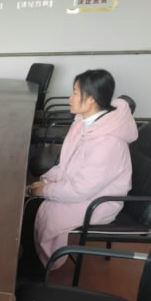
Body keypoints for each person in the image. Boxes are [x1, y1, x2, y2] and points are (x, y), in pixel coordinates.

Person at [24, 69, 138, 272]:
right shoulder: (84, 124)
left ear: (91, 99)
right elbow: (66, 164)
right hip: (83, 190)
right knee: (29, 201)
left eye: (75, 93)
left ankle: (37, 270)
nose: (70, 98)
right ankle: (29, 260)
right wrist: (46, 181)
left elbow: (81, 189)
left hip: (99, 201)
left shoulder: (108, 143)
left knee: (37, 210)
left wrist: (46, 190)